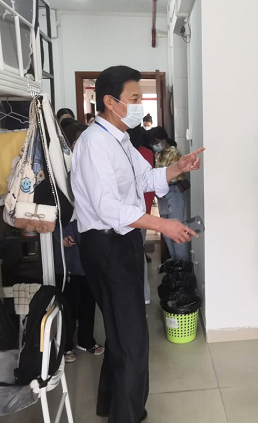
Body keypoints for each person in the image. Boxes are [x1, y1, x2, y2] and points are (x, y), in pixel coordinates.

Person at [71, 65, 204, 423]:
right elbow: (107, 207)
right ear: (110, 101)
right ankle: (127, 415)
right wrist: (163, 224)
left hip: (123, 241)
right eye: (133, 98)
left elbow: (144, 178)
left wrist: (178, 168)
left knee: (121, 333)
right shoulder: (94, 144)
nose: (139, 105)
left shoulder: (121, 139)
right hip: (107, 246)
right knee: (131, 338)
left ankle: (110, 404)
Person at [53, 119, 103, 364]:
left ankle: (86, 339)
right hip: (68, 241)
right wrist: (61, 234)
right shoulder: (58, 172)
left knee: (89, 295)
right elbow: (54, 210)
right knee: (69, 298)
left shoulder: (89, 167)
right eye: (78, 142)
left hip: (89, 238)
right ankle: (66, 345)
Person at [148, 127, 190, 261]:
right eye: (152, 143)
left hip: (173, 192)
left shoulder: (173, 152)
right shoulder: (159, 154)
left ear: (163, 140)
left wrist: (157, 182)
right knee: (166, 231)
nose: (154, 146)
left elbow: (171, 175)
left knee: (177, 229)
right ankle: (174, 260)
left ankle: (182, 263)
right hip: (162, 195)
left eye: (156, 142)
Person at [128, 125, 155, 305]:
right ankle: (144, 295)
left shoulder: (125, 152)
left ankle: (138, 295)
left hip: (129, 213)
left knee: (131, 255)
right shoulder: (147, 152)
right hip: (143, 209)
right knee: (139, 252)